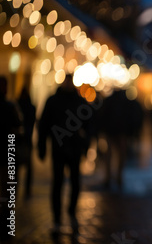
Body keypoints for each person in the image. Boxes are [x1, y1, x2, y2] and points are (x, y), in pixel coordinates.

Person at [38, 75, 91, 232]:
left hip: (73, 148)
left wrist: (85, 145)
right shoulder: (54, 101)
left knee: (75, 182)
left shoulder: (77, 101)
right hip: (59, 148)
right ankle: (57, 217)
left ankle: (71, 213)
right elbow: (44, 124)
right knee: (58, 183)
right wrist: (42, 146)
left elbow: (88, 125)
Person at [0, 76, 21, 241]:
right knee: (7, 192)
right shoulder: (9, 107)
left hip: (7, 154)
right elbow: (18, 126)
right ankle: (7, 226)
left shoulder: (10, 106)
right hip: (7, 154)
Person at [17, 87, 36, 198]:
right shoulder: (31, 107)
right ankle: (27, 190)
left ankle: (17, 188)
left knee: (16, 167)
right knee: (28, 166)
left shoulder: (17, 105)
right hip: (26, 141)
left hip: (19, 141)